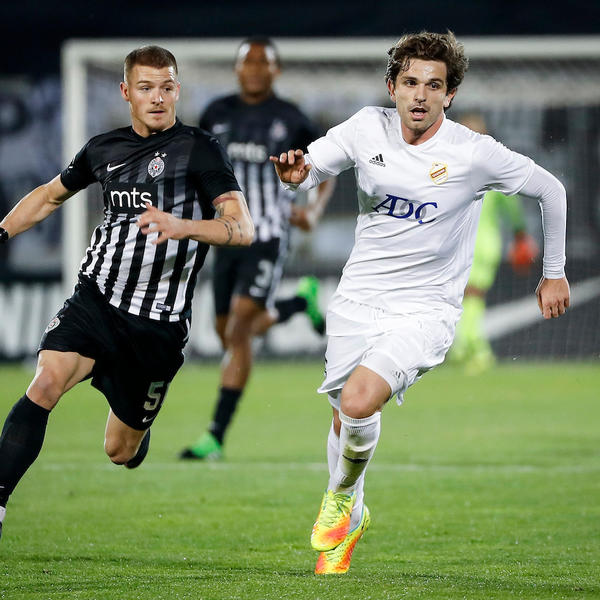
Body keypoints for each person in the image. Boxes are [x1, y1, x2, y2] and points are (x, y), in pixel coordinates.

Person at [270, 31, 569, 575]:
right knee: (344, 418)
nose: (420, 95)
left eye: (434, 85)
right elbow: (310, 168)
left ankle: (339, 499)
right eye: (410, 82)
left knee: (359, 400)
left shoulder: (473, 152)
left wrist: (554, 272)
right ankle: (350, 523)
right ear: (392, 86)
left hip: (425, 311)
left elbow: (552, 189)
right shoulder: (367, 127)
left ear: (449, 95)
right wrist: (296, 177)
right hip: (358, 300)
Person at [0, 45, 254, 540]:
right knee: (46, 382)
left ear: (177, 90)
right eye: (145, 88)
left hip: (157, 326)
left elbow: (241, 228)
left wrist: (183, 225)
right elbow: (49, 196)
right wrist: (1, 232)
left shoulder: (200, 149)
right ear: (126, 92)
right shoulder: (102, 149)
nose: (157, 97)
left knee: (120, 450)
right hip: (96, 299)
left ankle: (137, 432)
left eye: (166, 87)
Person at [179, 37, 334, 461]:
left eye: (262, 63)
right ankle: (299, 303)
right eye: (246, 62)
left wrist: (313, 210)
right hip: (226, 234)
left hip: (267, 236)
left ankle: (215, 436)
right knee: (227, 333)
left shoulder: (292, 119)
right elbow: (200, 165)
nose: (253, 69)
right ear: (236, 69)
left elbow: (328, 167)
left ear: (275, 70)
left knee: (239, 332)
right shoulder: (216, 113)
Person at [449, 112, 539, 373]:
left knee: (467, 295)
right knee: (472, 296)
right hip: (483, 244)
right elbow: (512, 206)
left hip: (464, 243)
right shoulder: (495, 168)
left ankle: (470, 347)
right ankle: (470, 348)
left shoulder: (450, 167)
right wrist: (521, 234)